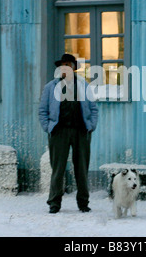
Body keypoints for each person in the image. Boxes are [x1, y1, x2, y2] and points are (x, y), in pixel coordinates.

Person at [38, 54, 98, 213]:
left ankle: (83, 202)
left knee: (82, 169)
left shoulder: (84, 86)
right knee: (58, 169)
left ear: (73, 67)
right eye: (62, 65)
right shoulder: (50, 87)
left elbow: (93, 109)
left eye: (68, 65)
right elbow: (42, 110)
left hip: (81, 132)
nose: (65, 68)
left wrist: (90, 126)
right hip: (59, 132)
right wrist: (48, 127)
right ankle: (54, 202)